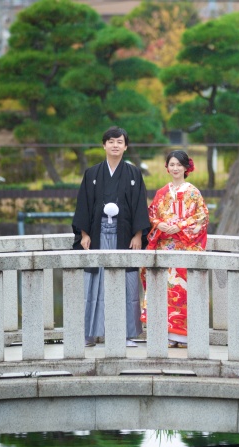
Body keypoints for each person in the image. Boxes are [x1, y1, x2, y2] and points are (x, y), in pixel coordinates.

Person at [72, 126, 150, 348]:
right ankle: (89, 333)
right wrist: (84, 234)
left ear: (126, 146)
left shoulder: (134, 174)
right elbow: (84, 205)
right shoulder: (92, 173)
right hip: (97, 236)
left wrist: (138, 235)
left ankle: (124, 334)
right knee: (94, 284)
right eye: (111, 141)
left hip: (124, 236)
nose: (115, 145)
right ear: (104, 145)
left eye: (120, 142)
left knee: (127, 283)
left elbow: (139, 206)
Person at [140, 150, 209, 347]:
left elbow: (202, 218)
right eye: (172, 164)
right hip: (164, 247)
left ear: (187, 167)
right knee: (162, 289)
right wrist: (158, 224)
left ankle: (185, 335)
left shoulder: (193, 192)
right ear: (167, 167)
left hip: (185, 248)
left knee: (183, 290)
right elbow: (151, 213)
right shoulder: (162, 192)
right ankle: (166, 335)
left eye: (179, 164)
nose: (175, 168)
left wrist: (180, 226)